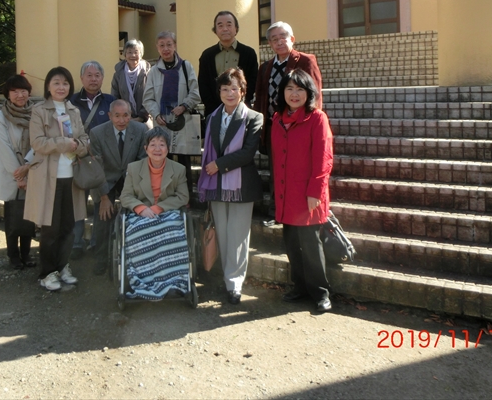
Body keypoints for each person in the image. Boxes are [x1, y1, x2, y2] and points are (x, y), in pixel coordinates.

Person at [197, 68, 263, 305]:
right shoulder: (212, 117)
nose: (229, 93)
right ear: (219, 92)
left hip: (240, 185)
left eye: (234, 88)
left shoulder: (254, 117)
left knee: (238, 236)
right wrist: (214, 167)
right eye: (225, 89)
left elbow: (247, 153)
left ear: (242, 91)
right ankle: (227, 277)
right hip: (216, 184)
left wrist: (219, 164)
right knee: (223, 234)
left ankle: (234, 283)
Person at [271, 69, 334, 312]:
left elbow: (324, 159)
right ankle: (299, 287)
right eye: (289, 88)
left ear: (309, 92)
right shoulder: (278, 119)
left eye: (299, 89)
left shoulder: (316, 118)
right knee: (291, 244)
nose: (294, 94)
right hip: (286, 192)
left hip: (308, 193)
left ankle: (320, 293)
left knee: (310, 246)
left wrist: (315, 192)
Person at [25, 66, 90, 291]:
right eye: (56, 83)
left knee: (69, 227)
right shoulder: (39, 110)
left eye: (65, 83)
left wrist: (78, 145)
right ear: (48, 86)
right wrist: (64, 143)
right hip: (48, 178)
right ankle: (47, 272)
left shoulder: (74, 110)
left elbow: (84, 139)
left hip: (71, 178)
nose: (61, 87)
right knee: (50, 228)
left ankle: (63, 266)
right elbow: (37, 143)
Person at [118, 127, 191, 299]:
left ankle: (174, 281)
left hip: (167, 213)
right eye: (153, 144)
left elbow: (183, 196)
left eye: (162, 144)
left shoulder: (178, 169)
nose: (157, 149)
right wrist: (141, 208)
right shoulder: (134, 168)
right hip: (141, 214)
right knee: (137, 231)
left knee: (173, 229)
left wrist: (159, 208)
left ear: (168, 148)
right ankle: (145, 282)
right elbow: (126, 196)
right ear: (146, 148)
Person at [88, 99, 147, 275]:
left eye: (126, 115)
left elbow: (142, 161)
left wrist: (133, 192)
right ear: (110, 116)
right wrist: (104, 197)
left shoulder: (141, 129)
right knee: (103, 216)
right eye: (117, 116)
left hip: (131, 177)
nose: (122, 120)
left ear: (131, 115)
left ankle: (136, 257)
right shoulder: (97, 133)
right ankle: (101, 258)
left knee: (138, 214)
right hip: (106, 178)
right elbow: (96, 168)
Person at [142, 31, 201, 191]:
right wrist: (156, 114)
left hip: (182, 121)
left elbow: (195, 93)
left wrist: (184, 106)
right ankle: (163, 194)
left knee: (183, 161)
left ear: (175, 45)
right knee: (162, 159)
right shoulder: (153, 71)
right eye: (162, 45)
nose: (166, 49)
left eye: (169, 44)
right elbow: (147, 99)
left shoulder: (186, 67)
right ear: (157, 47)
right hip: (162, 123)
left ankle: (185, 195)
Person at [69, 60, 116, 260]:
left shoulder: (110, 101)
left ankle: (97, 243)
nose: (93, 79)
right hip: (78, 160)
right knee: (78, 202)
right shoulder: (71, 102)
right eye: (89, 75)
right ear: (81, 78)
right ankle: (76, 243)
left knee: (100, 202)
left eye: (97, 75)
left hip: (102, 161)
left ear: (102, 78)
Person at [254, 21, 323, 154]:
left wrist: (312, 123)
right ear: (270, 43)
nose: (279, 42)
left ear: (292, 39)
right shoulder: (265, 67)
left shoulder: (305, 61)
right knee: (276, 164)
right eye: (274, 39)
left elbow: (315, 94)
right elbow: (260, 98)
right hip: (272, 126)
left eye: (283, 37)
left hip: (298, 124)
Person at [0, 74, 38, 271]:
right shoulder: (0, 117)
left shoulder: (36, 113)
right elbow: (4, 148)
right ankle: (13, 255)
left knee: (29, 215)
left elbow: (39, 142)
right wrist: (19, 175)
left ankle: (26, 254)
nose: (20, 95)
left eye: (23, 91)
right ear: (8, 94)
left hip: (32, 169)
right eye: (15, 91)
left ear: (29, 92)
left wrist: (28, 165)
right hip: (10, 173)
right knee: (12, 215)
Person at [197, 11, 259, 117]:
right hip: (214, 112)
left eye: (229, 25)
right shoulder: (207, 55)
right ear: (215, 30)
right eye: (220, 26)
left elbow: (253, 81)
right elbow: (203, 84)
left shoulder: (248, 53)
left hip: (242, 112)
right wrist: (214, 109)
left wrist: (241, 103)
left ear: (236, 29)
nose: (225, 29)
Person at [110, 39, 152, 125]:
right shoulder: (118, 74)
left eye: (136, 52)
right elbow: (115, 97)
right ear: (125, 54)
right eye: (129, 52)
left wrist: (141, 117)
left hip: (145, 118)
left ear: (141, 54)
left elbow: (151, 96)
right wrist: (125, 116)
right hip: (124, 119)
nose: (133, 55)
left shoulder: (149, 72)